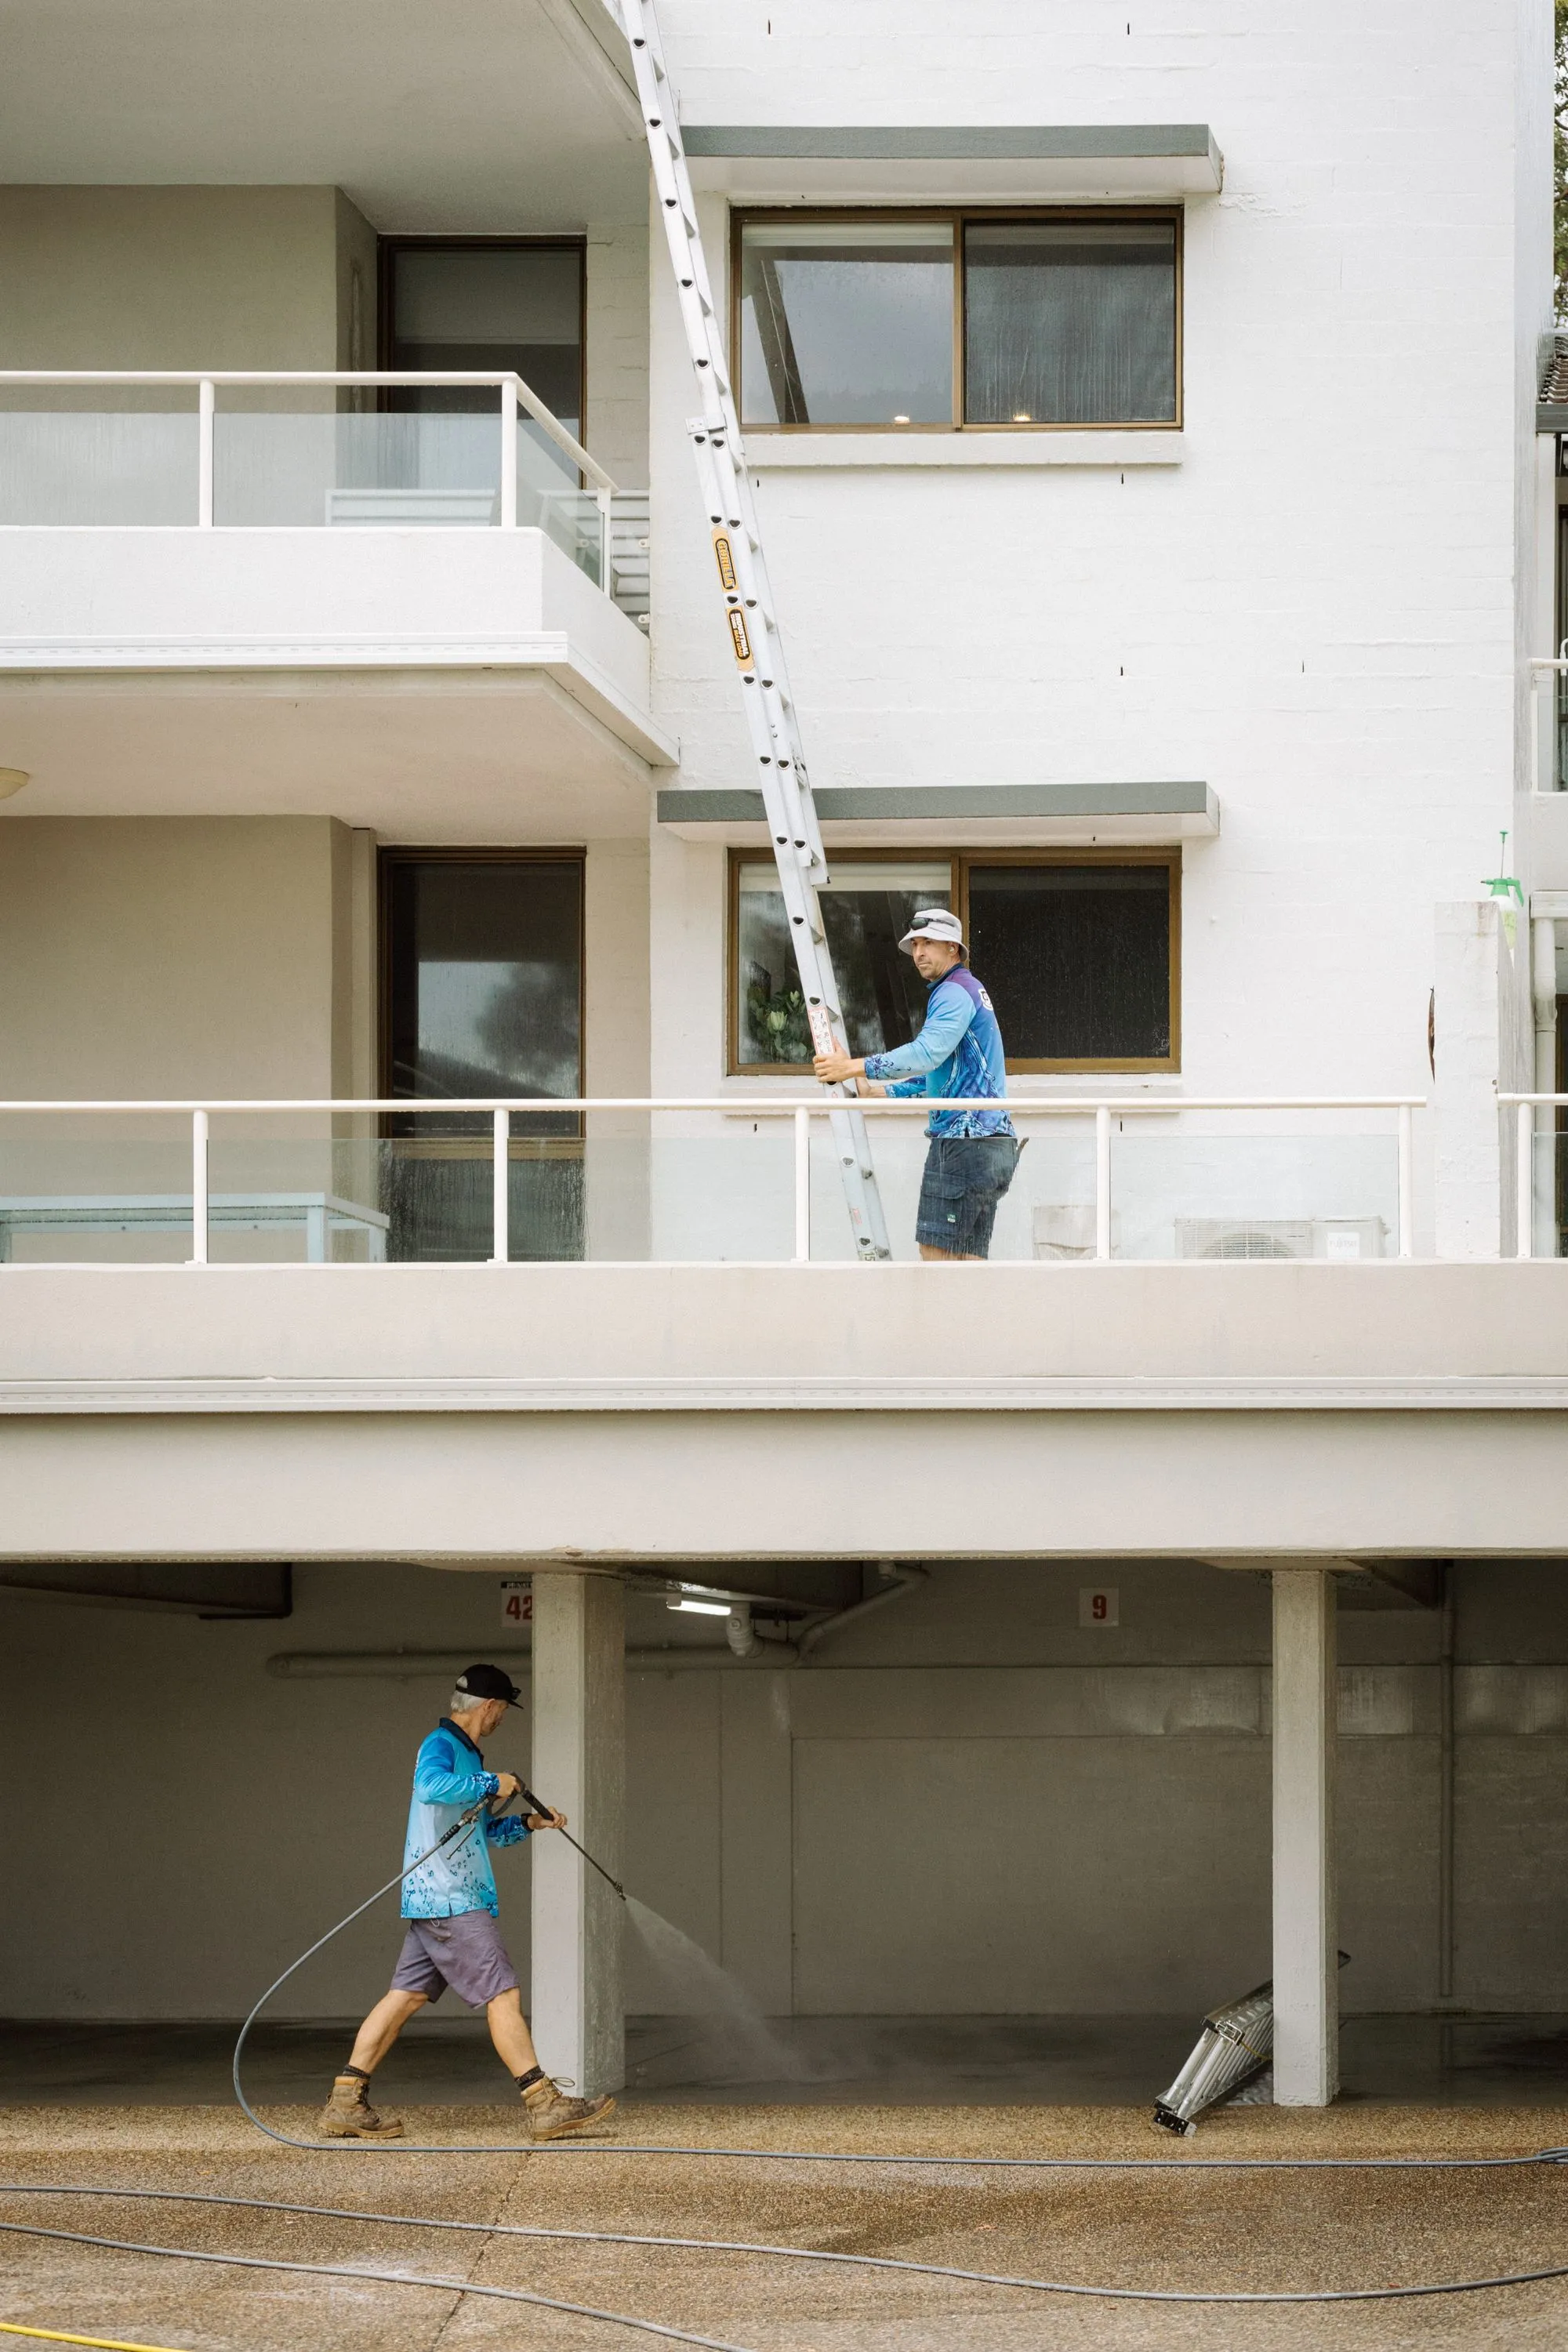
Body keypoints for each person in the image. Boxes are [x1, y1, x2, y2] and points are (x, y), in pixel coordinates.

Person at [318, 1661, 615, 2142]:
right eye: (503, 1712)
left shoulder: (469, 1756)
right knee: (502, 1994)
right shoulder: (442, 1746)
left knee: (406, 1996)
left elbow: (478, 1833)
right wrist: (489, 1782)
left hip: (437, 1898)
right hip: (451, 1897)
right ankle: (544, 2104)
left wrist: (528, 1824)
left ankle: (346, 2101)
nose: (502, 1720)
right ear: (492, 1707)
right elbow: (430, 1788)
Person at [813, 906, 1018, 1261]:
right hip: (992, 1145)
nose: (919, 952)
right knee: (969, 1262)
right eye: (915, 945)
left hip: (964, 1141)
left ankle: (942, 1321)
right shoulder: (968, 991)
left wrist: (851, 1067)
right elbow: (944, 1072)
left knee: (936, 1253)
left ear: (953, 949)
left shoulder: (953, 992)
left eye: (929, 943)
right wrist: (876, 1087)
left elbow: (926, 1054)